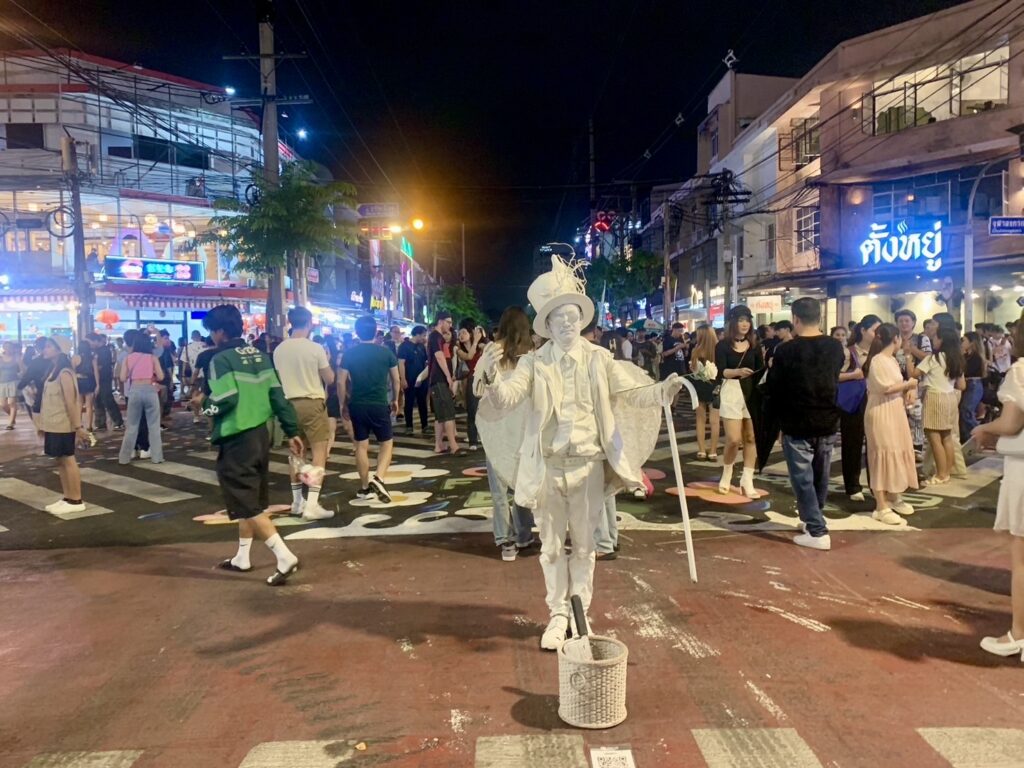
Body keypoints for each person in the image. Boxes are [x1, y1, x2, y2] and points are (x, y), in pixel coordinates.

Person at [476, 254, 681, 650]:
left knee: (585, 547)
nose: (567, 323)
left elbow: (634, 391)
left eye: (572, 316)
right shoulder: (534, 363)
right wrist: (488, 376)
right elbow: (506, 398)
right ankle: (556, 614)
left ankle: (580, 611)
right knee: (551, 546)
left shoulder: (600, 359)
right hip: (549, 466)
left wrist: (664, 390)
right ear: (547, 326)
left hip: (588, 465)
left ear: (581, 320)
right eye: (559, 318)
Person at [201, 305, 304, 586]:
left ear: (220, 331)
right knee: (253, 499)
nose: (212, 336)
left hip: (237, 434)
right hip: (261, 433)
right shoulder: (261, 356)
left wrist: (204, 406)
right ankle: (242, 557)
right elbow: (277, 395)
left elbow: (225, 398)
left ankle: (283, 555)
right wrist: (291, 430)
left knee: (245, 500)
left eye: (212, 331)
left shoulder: (219, 359)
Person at [765, 297, 845, 550]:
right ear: (819, 317)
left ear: (795, 319)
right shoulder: (835, 347)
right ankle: (813, 521)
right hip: (828, 418)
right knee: (820, 476)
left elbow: (776, 389)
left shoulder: (786, 350)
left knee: (802, 479)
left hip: (797, 421)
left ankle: (817, 529)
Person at [971, 315, 1024, 662]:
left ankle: (1018, 634)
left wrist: (983, 430)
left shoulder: (1020, 371)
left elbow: (1011, 422)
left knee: (1021, 557)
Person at [477, 307, 538, 561]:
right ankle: (524, 535)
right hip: (524, 427)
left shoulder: (491, 351)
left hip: (495, 427)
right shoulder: (533, 354)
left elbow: (478, 388)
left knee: (499, 488)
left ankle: (506, 542)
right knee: (521, 480)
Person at [273, 306, 336, 520]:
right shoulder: (315, 348)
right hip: (312, 402)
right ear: (309, 323)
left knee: (296, 454)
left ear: (290, 322)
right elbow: (330, 379)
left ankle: (297, 502)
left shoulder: (279, 349)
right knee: (319, 452)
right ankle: (312, 504)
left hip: (288, 404)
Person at [338, 316, 400, 503]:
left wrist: (343, 404)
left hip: (358, 404)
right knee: (386, 443)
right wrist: (396, 399)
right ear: (376, 332)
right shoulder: (386, 353)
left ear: (357, 332)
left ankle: (365, 487)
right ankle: (379, 478)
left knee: (361, 446)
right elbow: (396, 380)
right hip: (380, 403)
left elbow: (341, 382)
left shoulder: (349, 354)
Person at [862, 323, 919, 525]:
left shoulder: (892, 360)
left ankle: (894, 496)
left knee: (898, 449)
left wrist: (908, 389)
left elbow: (897, 385)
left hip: (895, 410)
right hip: (881, 412)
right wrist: (909, 384)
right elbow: (884, 388)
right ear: (895, 339)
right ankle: (881, 505)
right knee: (882, 454)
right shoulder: (877, 360)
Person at [715, 305, 764, 497]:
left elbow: (760, 370)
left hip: (752, 392)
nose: (745, 324)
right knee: (734, 439)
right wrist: (737, 372)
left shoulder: (755, 345)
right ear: (732, 322)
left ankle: (747, 479)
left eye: (747, 320)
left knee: (751, 437)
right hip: (731, 390)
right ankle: (727, 473)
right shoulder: (723, 345)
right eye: (741, 320)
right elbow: (720, 371)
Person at [38, 337, 91, 514]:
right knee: (59, 460)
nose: (44, 350)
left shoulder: (65, 373)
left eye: (48, 347)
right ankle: (67, 497)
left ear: (59, 349)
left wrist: (78, 427)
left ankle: (76, 499)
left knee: (68, 459)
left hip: (64, 424)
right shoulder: (53, 370)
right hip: (53, 423)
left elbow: (71, 401)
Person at [910, 327, 966, 485]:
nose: (933, 340)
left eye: (935, 338)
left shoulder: (933, 359)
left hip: (934, 397)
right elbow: (961, 386)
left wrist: (908, 355)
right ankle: (946, 472)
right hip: (950, 398)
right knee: (947, 437)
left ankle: (941, 474)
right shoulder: (956, 359)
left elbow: (914, 374)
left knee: (934, 439)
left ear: (941, 340)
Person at [841, 315, 881, 502]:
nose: (878, 335)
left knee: (876, 444)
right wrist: (853, 375)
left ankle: (876, 486)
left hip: (876, 402)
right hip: (854, 403)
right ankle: (853, 486)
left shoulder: (881, 352)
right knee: (852, 444)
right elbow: (834, 377)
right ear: (863, 331)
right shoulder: (849, 353)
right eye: (875, 330)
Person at [117, 332, 164, 465]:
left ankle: (124, 458)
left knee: (132, 426)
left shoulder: (128, 358)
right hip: (150, 390)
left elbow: (122, 378)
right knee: (154, 426)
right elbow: (160, 376)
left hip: (134, 391)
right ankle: (157, 457)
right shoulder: (152, 357)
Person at [428, 312, 462, 455]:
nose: (450, 325)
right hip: (439, 379)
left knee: (440, 415)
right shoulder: (436, 336)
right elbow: (439, 356)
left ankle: (439, 445)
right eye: (448, 322)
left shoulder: (437, 337)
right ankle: (454, 447)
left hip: (437, 380)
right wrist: (448, 377)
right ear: (440, 321)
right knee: (448, 413)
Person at [689, 325, 720, 461]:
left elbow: (693, 370)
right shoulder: (719, 349)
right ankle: (713, 451)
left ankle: (701, 450)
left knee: (700, 420)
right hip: (715, 386)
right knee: (715, 421)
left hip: (699, 386)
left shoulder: (696, 350)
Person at [455, 320, 487, 450]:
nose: (461, 335)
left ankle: (485, 437)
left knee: (485, 410)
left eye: (464, 332)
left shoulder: (481, 345)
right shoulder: (458, 348)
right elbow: (469, 357)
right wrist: (475, 342)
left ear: (471, 333)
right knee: (472, 411)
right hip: (471, 380)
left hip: (484, 380)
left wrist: (481, 341)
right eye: (459, 333)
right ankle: (473, 440)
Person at [89, 333, 124, 432]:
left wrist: (93, 369)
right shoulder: (96, 351)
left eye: (90, 342)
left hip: (104, 379)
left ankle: (118, 422)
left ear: (96, 341)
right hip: (98, 379)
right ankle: (100, 423)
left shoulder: (104, 351)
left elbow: (102, 366)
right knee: (98, 401)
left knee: (107, 400)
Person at [397, 325, 429, 433]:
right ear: (417, 334)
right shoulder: (404, 346)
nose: (424, 337)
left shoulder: (421, 347)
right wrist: (403, 379)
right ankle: (409, 425)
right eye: (423, 335)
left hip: (421, 380)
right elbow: (401, 363)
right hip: (409, 379)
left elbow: (425, 362)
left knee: (422, 402)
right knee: (409, 402)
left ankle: (425, 425)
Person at [960, 332, 988, 440]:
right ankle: (968, 437)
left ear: (972, 343)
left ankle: (978, 434)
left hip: (973, 385)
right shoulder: (966, 356)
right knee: (964, 411)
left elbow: (967, 371)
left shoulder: (976, 357)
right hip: (967, 384)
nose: (962, 343)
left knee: (967, 410)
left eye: (964, 340)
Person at [73, 339, 98, 432]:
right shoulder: (92, 358)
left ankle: (79, 425)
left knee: (78, 404)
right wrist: (98, 385)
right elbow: (96, 372)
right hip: (89, 381)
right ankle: (89, 426)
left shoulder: (75, 357)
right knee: (89, 405)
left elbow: (72, 372)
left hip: (78, 381)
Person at [0, 341, 22, 430]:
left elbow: (22, 370)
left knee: (11, 403)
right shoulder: (0, 358)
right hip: (2, 382)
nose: (8, 349)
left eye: (10, 347)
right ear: (4, 348)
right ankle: (12, 417)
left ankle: (10, 423)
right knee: (2, 404)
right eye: (6, 347)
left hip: (13, 382)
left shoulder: (16, 358)